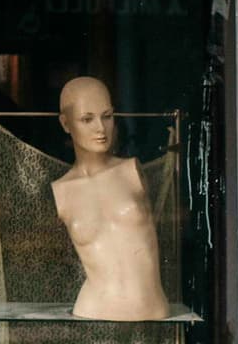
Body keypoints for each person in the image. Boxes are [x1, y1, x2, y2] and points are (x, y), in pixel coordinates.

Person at [51, 77, 169, 321]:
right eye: (87, 119)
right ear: (65, 123)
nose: (100, 128)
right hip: (93, 313)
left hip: (153, 312)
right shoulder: (61, 191)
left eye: (107, 116)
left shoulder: (130, 171)